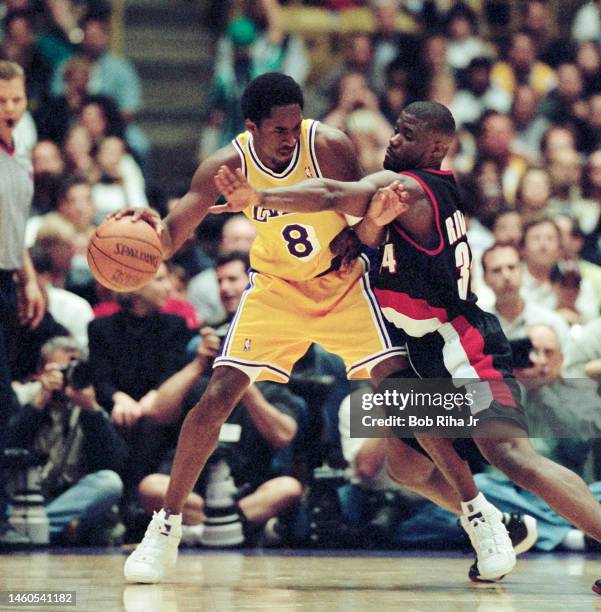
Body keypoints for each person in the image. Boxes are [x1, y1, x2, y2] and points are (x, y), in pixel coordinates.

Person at [214, 100, 601, 594]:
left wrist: (260, 195)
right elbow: (353, 241)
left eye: (405, 133)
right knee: (407, 465)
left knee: (511, 455)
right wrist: (364, 233)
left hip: (461, 344)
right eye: (394, 130)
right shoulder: (403, 198)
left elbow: (333, 192)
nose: (392, 140)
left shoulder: (415, 188)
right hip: (420, 351)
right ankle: (494, 527)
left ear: (435, 147)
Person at [120, 72, 425, 584]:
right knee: (215, 396)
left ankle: (479, 514)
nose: (290, 135)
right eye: (278, 129)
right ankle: (165, 527)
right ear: (251, 127)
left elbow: (360, 218)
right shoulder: (224, 165)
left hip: (340, 283)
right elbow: (173, 235)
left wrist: (354, 237)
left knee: (404, 394)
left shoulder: (328, 145)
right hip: (278, 289)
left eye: (295, 123)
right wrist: (145, 231)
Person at [0, 60, 45, 545]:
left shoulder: (21, 148)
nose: (10, 109)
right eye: (1, 101)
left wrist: (28, 278)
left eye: (16, 99)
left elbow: (13, 224)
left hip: (7, 279)